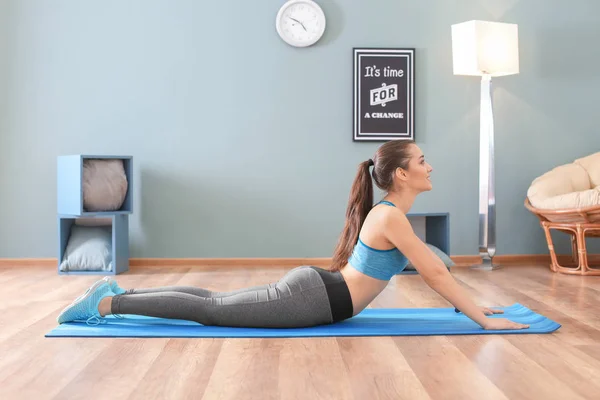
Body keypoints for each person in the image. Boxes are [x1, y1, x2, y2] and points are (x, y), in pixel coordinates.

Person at [57, 140, 529, 331]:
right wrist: (482, 321)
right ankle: (106, 303)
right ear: (401, 175)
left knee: (211, 301)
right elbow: (434, 275)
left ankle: (117, 295)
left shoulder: (389, 214)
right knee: (209, 310)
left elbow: (438, 275)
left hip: (318, 291)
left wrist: (475, 306)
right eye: (422, 160)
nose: (431, 166)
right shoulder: (390, 218)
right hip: (314, 300)